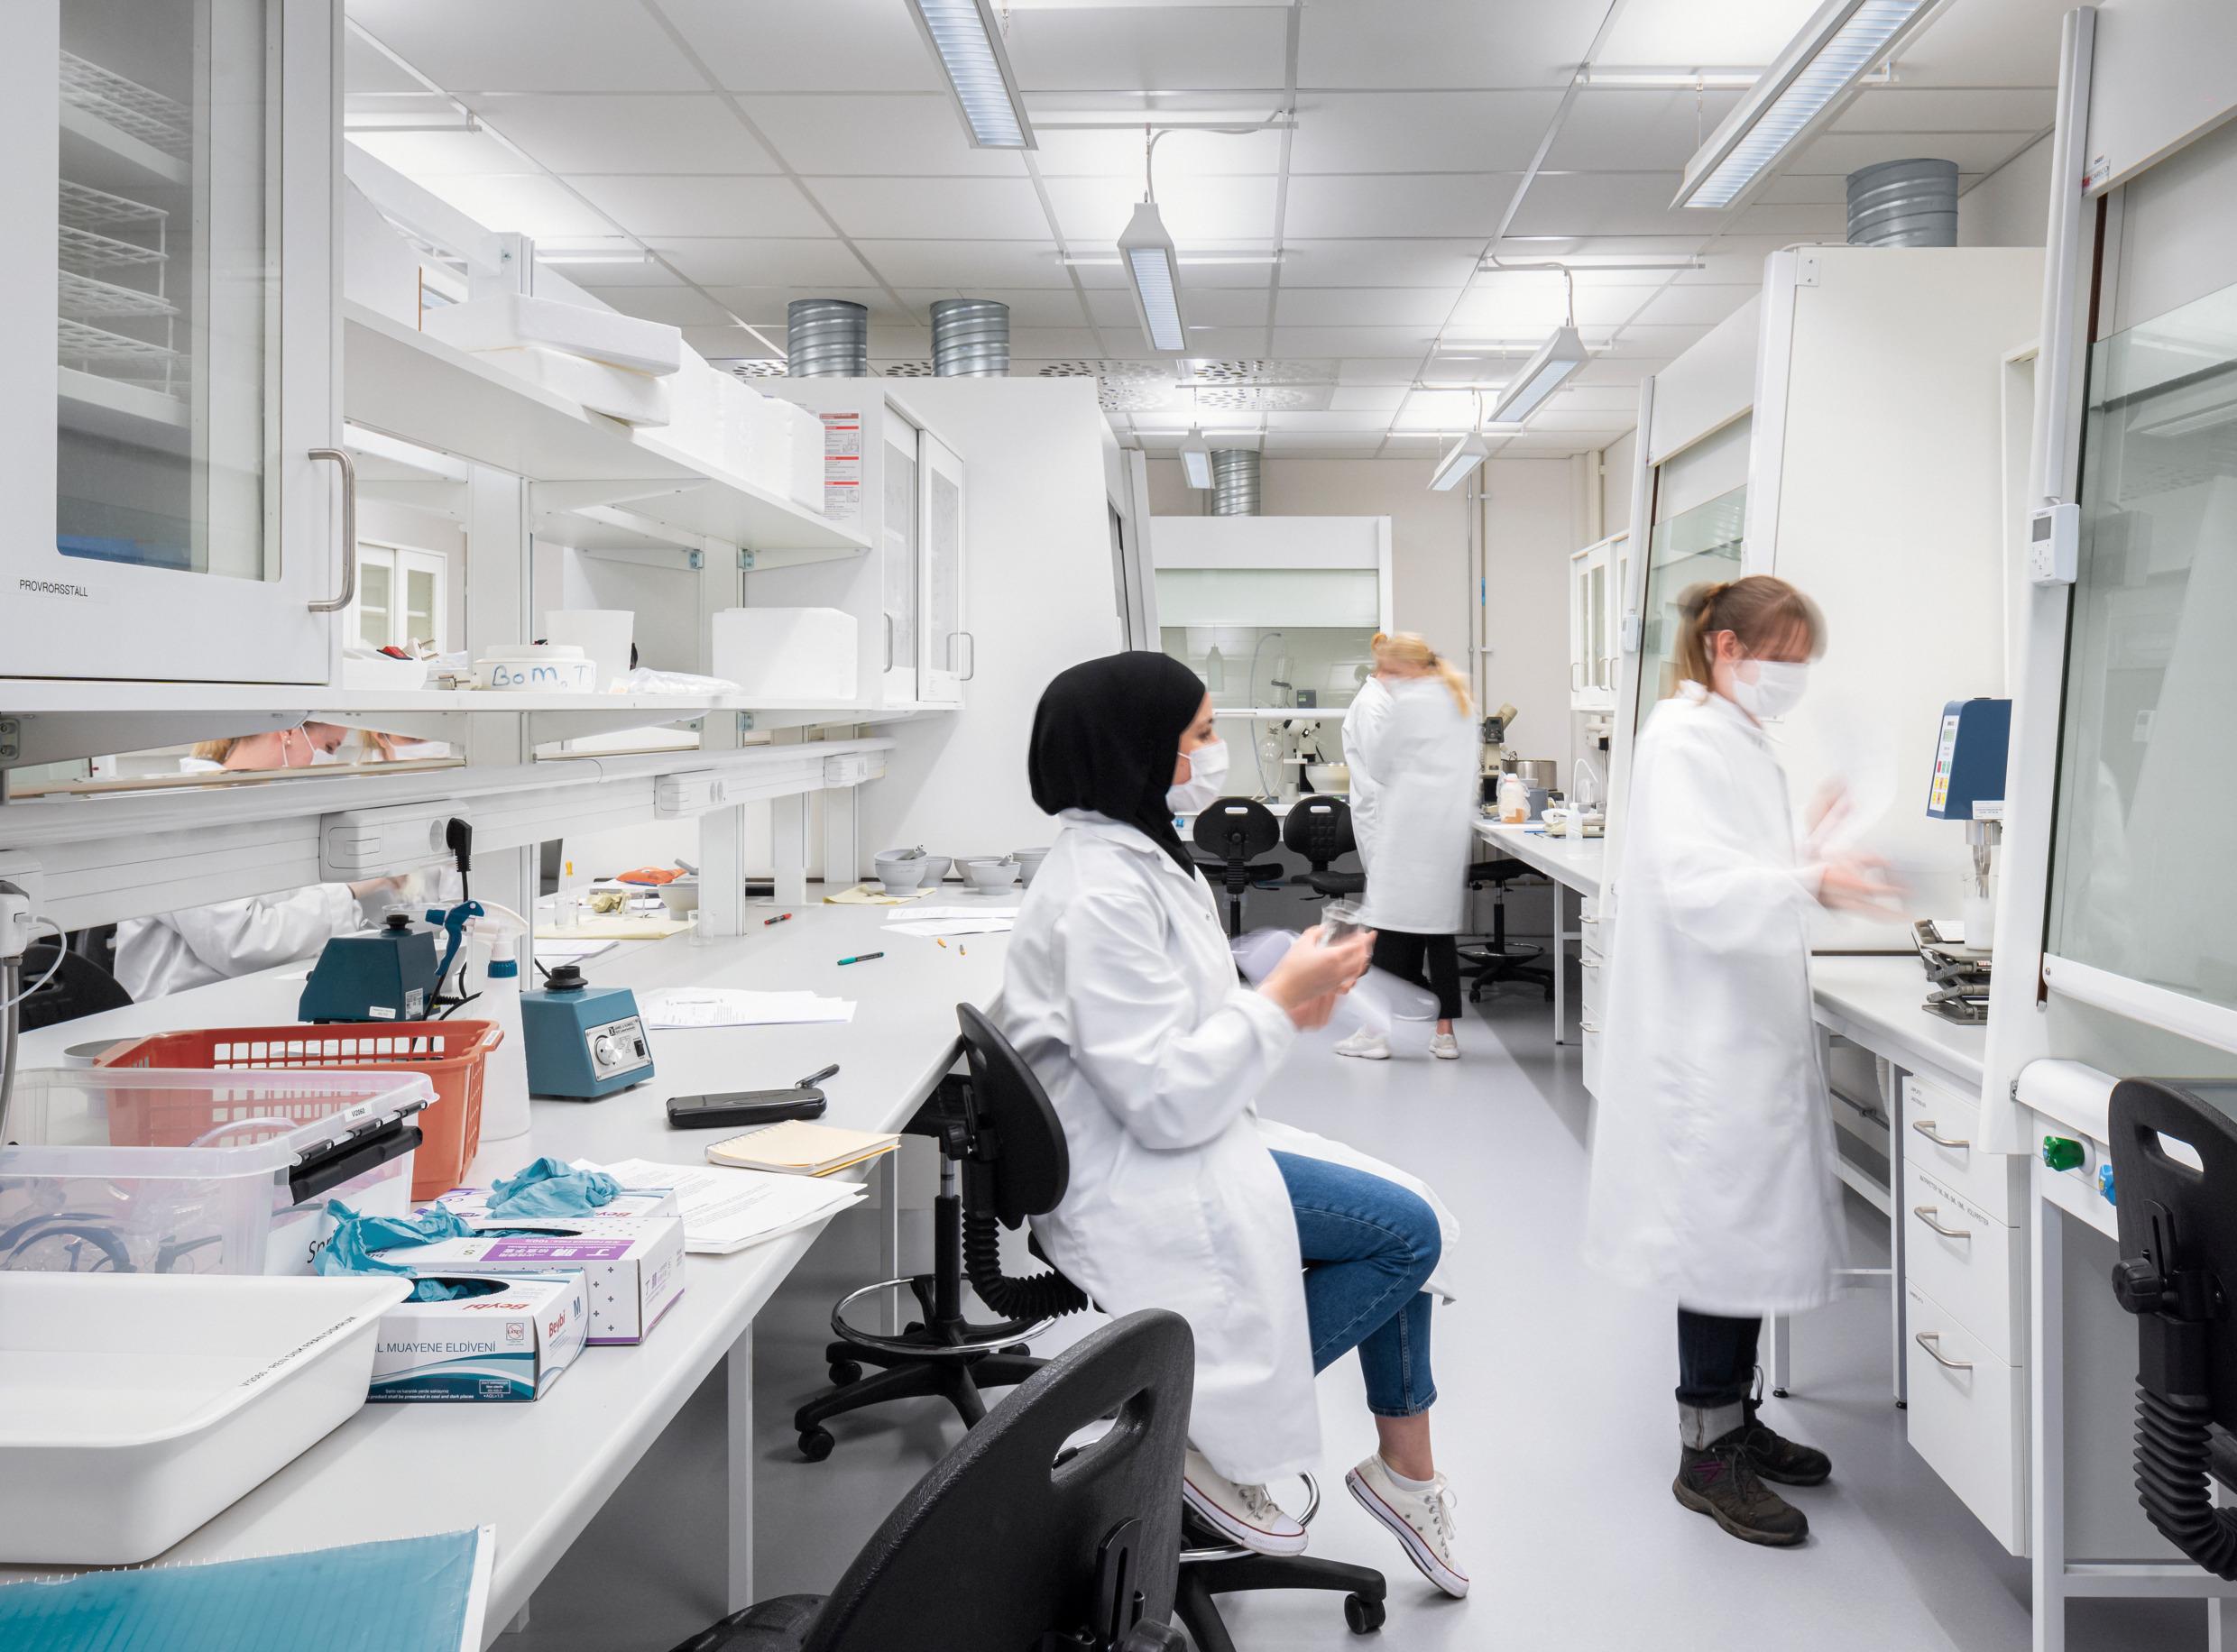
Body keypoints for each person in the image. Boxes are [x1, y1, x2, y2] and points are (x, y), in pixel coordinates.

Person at [999, 650, 1469, 1599]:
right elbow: (1163, 1094)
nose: (1214, 754)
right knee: (1405, 1236)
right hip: (1140, 1162)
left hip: (1175, 1134)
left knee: (1410, 1209)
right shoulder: (1102, 889)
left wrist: (1270, 976)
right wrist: (1281, 1003)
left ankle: (1402, 1472)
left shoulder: (1133, 852)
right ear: (1139, 751)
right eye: (1200, 735)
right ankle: (1186, 1427)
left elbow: (1164, 1016)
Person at [1583, 575, 1892, 1549]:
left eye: (1802, 659)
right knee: (1718, 1239)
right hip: (1702, 1041)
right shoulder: (1680, 740)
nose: (1792, 676)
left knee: (1744, 1234)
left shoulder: (1730, 739)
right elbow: (1694, 884)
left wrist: (1809, 850)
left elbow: (1733, 863)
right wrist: (1807, 876)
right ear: (1723, 647)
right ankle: (1702, 1453)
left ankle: (1733, 1417)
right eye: (1782, 656)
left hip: (1740, 1030)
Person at [115, 724, 401, 1000]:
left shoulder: (267, 808)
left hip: (250, 1000)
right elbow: (241, 945)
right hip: (181, 1015)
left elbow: (301, 919)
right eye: (328, 747)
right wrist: (349, 890)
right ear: (288, 731)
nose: (330, 761)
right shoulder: (192, 811)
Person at [1333, 632, 1478, 1061]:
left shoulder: (1411, 703)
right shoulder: (1460, 700)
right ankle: (1446, 1035)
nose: (1384, 678)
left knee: (1388, 932)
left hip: (1407, 835)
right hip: (1444, 838)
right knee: (1438, 937)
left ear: (1409, 669)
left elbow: (1379, 764)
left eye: (1390, 671)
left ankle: (1375, 1034)